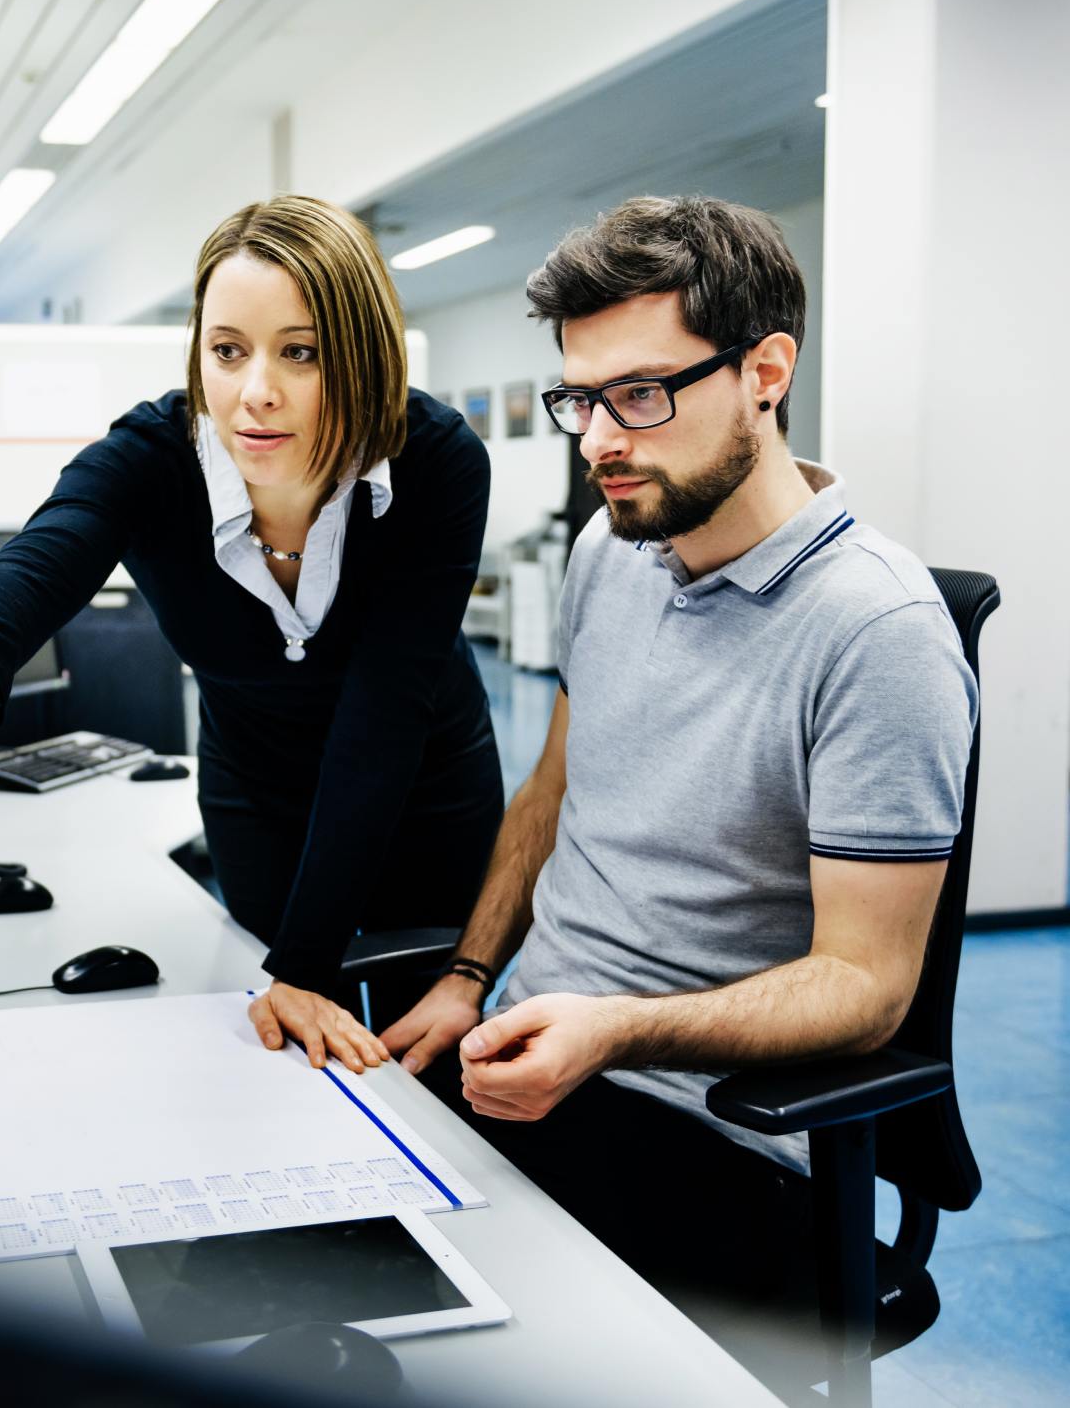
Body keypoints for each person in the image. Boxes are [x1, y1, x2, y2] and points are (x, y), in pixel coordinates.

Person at [379, 196, 978, 1333]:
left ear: (765, 370)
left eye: (642, 395)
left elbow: (866, 986)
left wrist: (613, 1027)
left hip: (716, 1132)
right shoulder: (615, 545)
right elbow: (555, 790)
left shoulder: (877, 632)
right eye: (579, 399)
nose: (600, 440)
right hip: (539, 1066)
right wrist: (466, 977)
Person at [0, 195, 504, 1073]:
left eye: (301, 352)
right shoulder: (152, 455)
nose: (254, 391)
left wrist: (307, 964)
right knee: (283, 1048)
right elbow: (47, 552)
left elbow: (384, 716)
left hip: (419, 782)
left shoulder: (436, 461)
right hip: (254, 783)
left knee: (419, 1050)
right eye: (227, 351)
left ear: (363, 354)